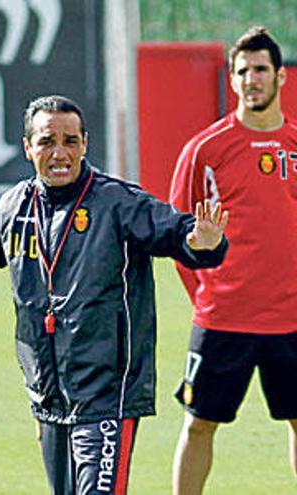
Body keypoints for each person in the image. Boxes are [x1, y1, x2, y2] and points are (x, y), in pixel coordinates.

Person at [0, 95, 230, 495]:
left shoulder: (118, 202)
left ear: (85, 144)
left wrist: (201, 242)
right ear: (28, 147)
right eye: (47, 141)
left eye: (70, 141)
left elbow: (175, 232)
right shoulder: (16, 206)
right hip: (48, 394)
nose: (60, 153)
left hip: (105, 393)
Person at [169, 26, 297, 494]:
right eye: (242, 70)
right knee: (199, 424)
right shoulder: (205, 149)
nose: (251, 78)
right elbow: (179, 234)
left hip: (292, 319)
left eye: (261, 69)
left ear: (280, 77)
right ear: (232, 77)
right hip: (225, 319)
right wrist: (207, 296)